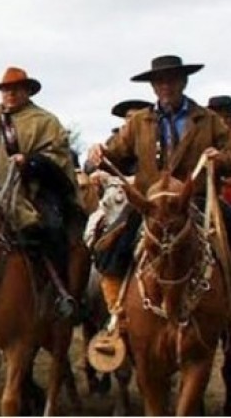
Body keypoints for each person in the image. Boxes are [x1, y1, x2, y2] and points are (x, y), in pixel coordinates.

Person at [86, 55, 231, 311]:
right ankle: (117, 318)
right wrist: (98, 153)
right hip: (148, 205)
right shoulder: (139, 122)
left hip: (195, 201)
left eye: (172, 80)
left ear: (183, 82)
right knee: (109, 250)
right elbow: (115, 153)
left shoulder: (207, 120)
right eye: (159, 82)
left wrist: (220, 158)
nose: (166, 86)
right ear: (153, 87)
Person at [0, 66, 82, 315]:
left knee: (52, 232)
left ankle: (61, 295)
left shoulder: (46, 121)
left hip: (32, 194)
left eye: (15, 89)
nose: (10, 94)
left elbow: (58, 157)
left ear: (27, 91)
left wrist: (30, 161)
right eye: (6, 90)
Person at [208, 96, 231, 204]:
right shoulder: (207, 137)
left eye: (227, 116)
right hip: (212, 193)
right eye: (218, 117)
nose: (222, 121)